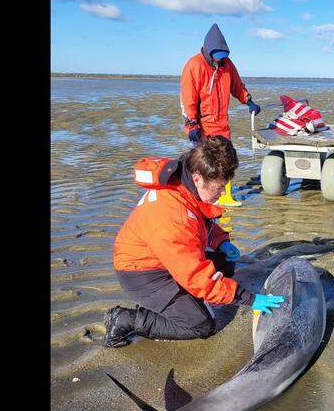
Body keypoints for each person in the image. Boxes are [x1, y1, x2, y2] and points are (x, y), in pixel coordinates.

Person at [104, 136, 284, 348]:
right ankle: (126, 319)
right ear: (198, 178)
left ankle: (179, 301)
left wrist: (220, 241)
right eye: (218, 188)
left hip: (162, 257)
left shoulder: (184, 181)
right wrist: (249, 298)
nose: (221, 193)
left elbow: (200, 221)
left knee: (224, 263)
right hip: (141, 272)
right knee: (202, 325)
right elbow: (196, 275)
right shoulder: (173, 217)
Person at [179, 23, 262, 208]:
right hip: (201, 127)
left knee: (226, 162)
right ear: (209, 51)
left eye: (222, 58)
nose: (219, 61)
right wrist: (192, 125)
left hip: (221, 124)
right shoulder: (194, 66)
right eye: (216, 57)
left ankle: (225, 197)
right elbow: (187, 99)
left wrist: (248, 101)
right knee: (204, 165)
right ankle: (199, 198)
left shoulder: (227, 65)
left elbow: (237, 86)